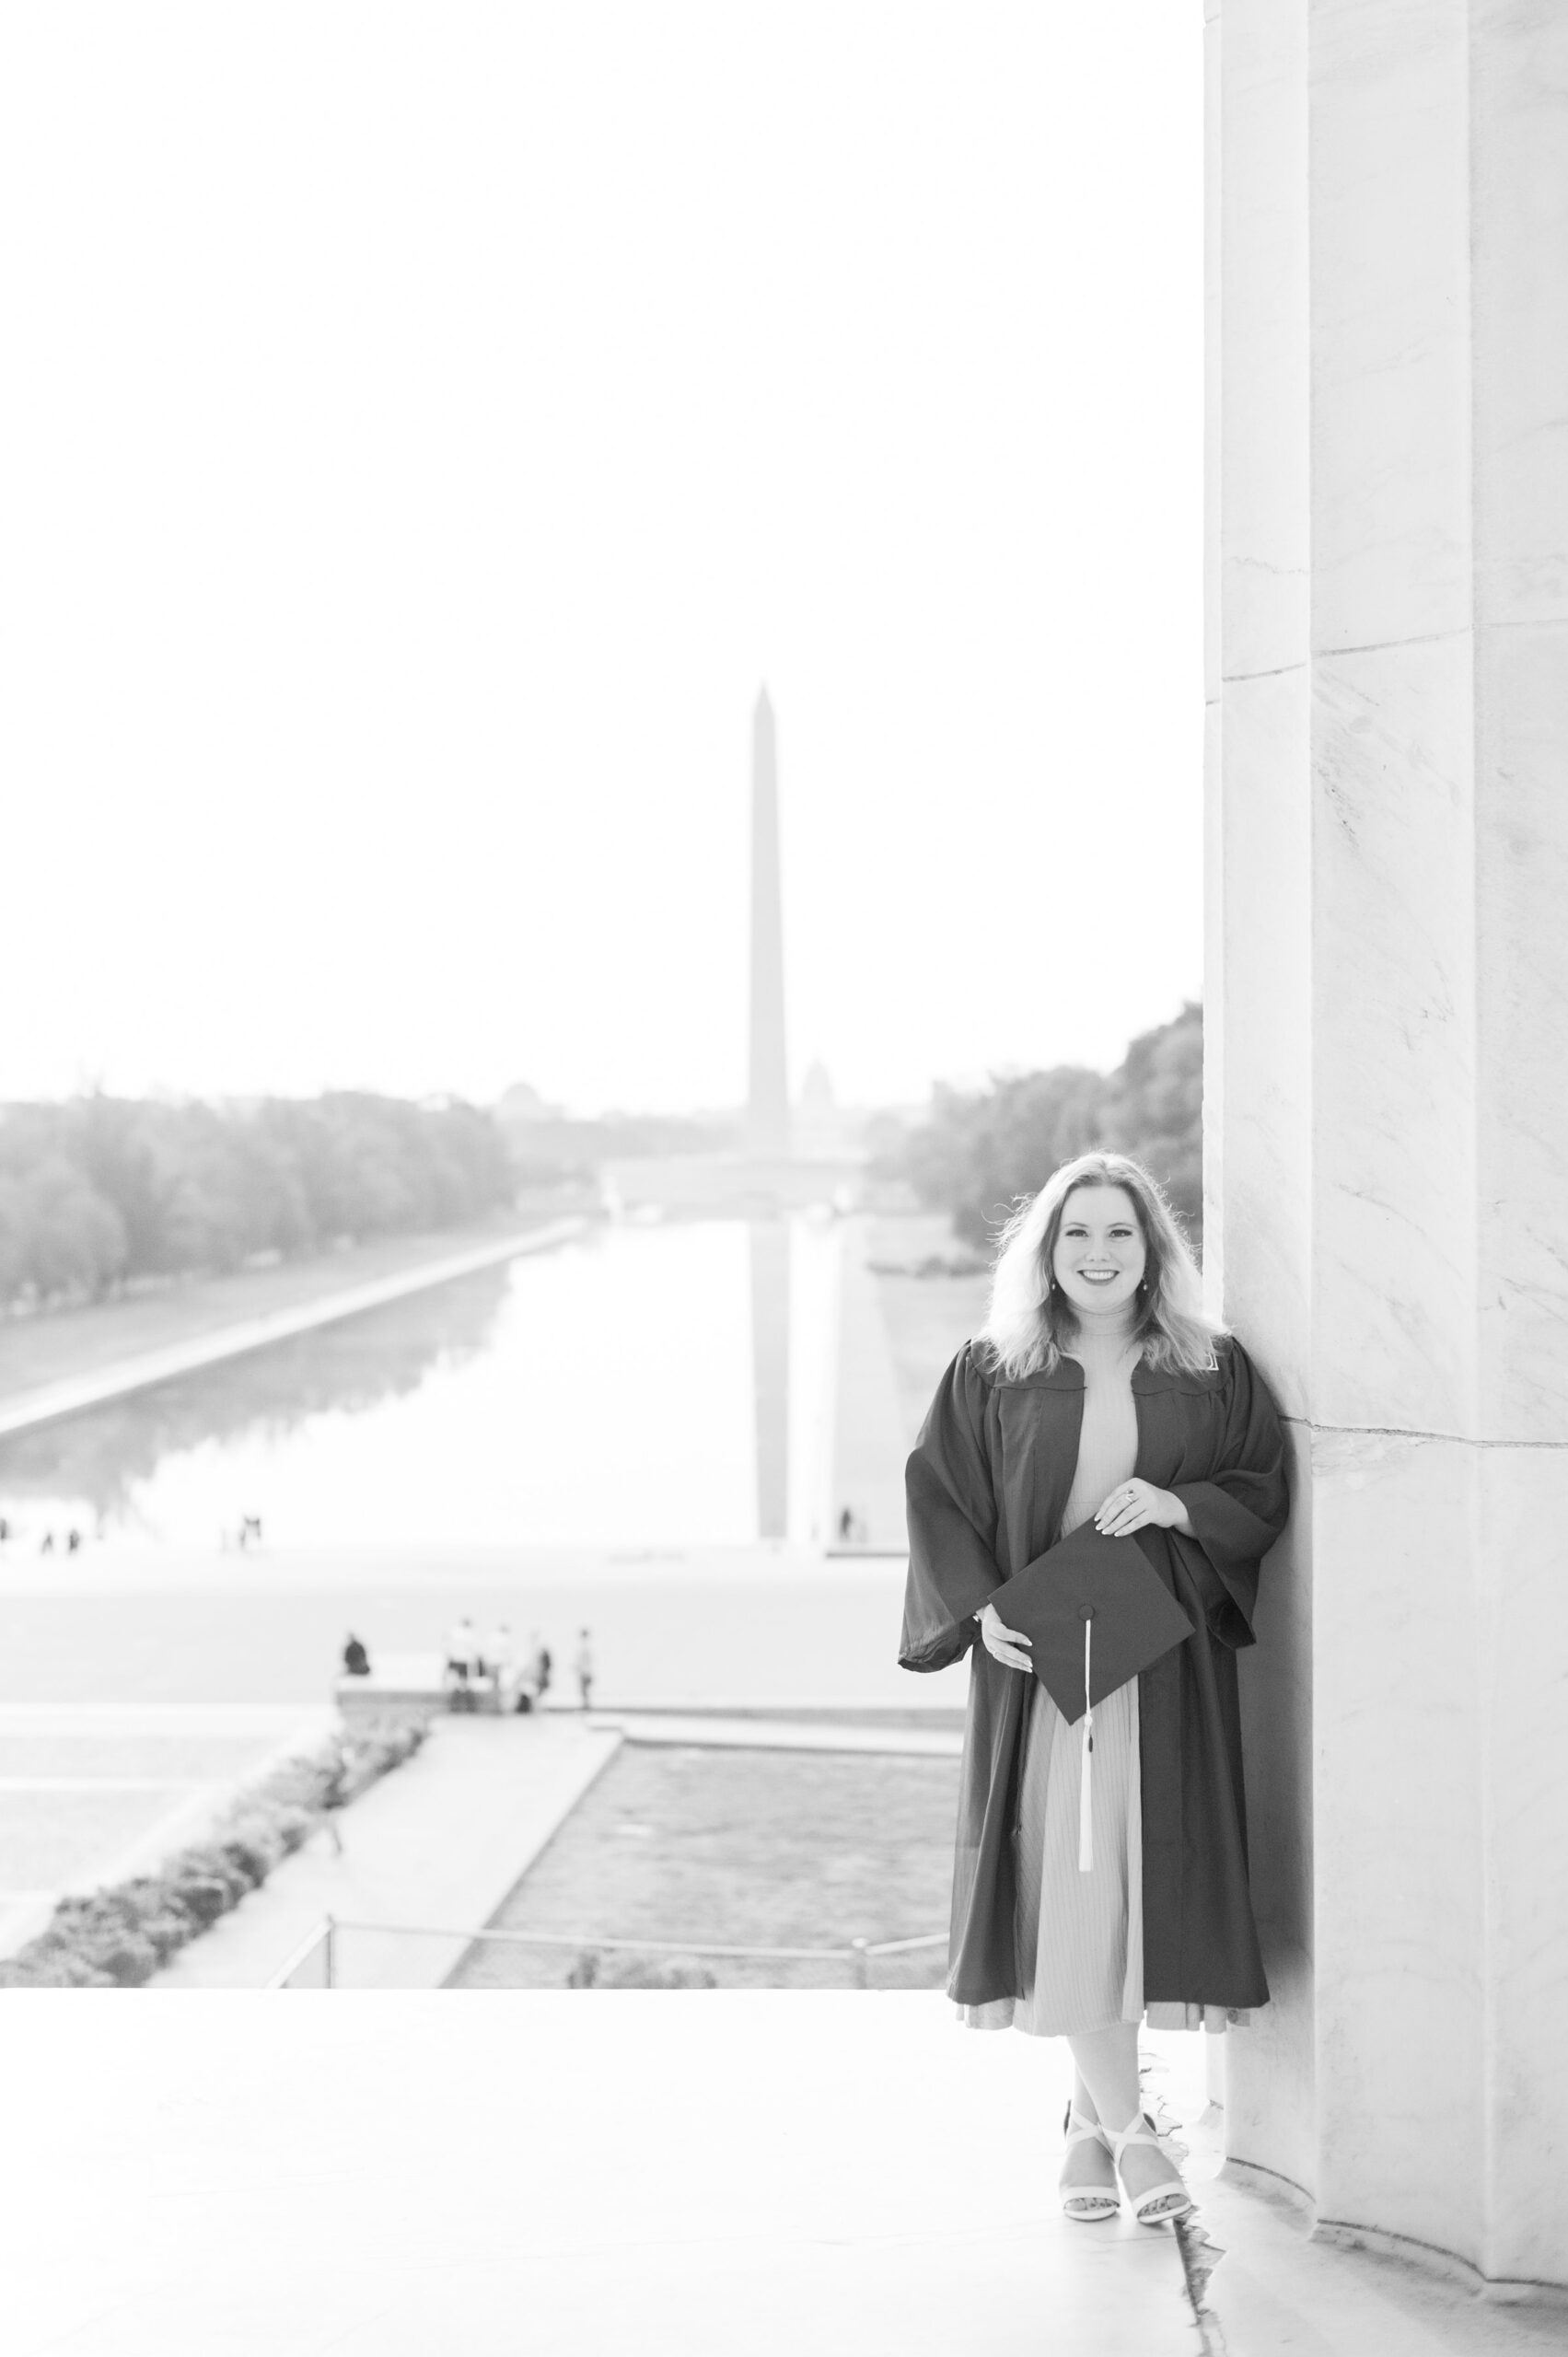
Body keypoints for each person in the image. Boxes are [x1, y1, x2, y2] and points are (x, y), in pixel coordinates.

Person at [900, 1152, 1288, 2230]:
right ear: (1046, 1248)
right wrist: (978, 1609)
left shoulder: (1209, 1369)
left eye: (1120, 1232)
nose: (1098, 1253)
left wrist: (1175, 1505)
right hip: (1044, 1673)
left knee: (1118, 1886)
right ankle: (1132, 2134)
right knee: (1069, 1885)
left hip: (1157, 1665)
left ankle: (1088, 2125)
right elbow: (939, 1497)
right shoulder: (993, 1368)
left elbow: (1259, 1481)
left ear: (1152, 1248)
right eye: (1077, 1233)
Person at [445, 1615, 479, 1712]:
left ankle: (454, 1707)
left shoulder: (453, 1632)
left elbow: (447, 1648)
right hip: (465, 1662)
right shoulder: (469, 1634)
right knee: (466, 1685)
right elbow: (474, 1649)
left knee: (456, 1684)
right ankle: (470, 1707)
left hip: (455, 1661)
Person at [574, 1628, 595, 1712]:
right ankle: (586, 1706)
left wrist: (584, 1670)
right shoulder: (584, 1646)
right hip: (584, 1672)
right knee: (584, 1691)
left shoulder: (585, 1647)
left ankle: (586, 1707)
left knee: (585, 1691)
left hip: (585, 1673)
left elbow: (586, 1661)